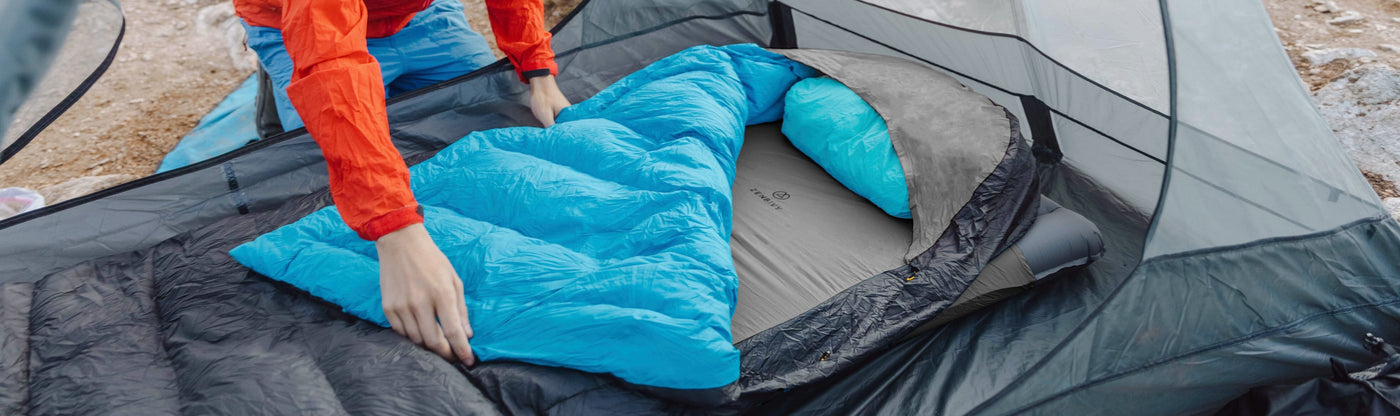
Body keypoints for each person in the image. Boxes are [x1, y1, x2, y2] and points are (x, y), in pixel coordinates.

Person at [232, 0, 572, 365]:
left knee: (489, 109)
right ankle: (282, 69)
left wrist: (537, 67)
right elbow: (333, 67)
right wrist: (394, 229)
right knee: (321, 157)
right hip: (305, 25)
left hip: (421, 17)